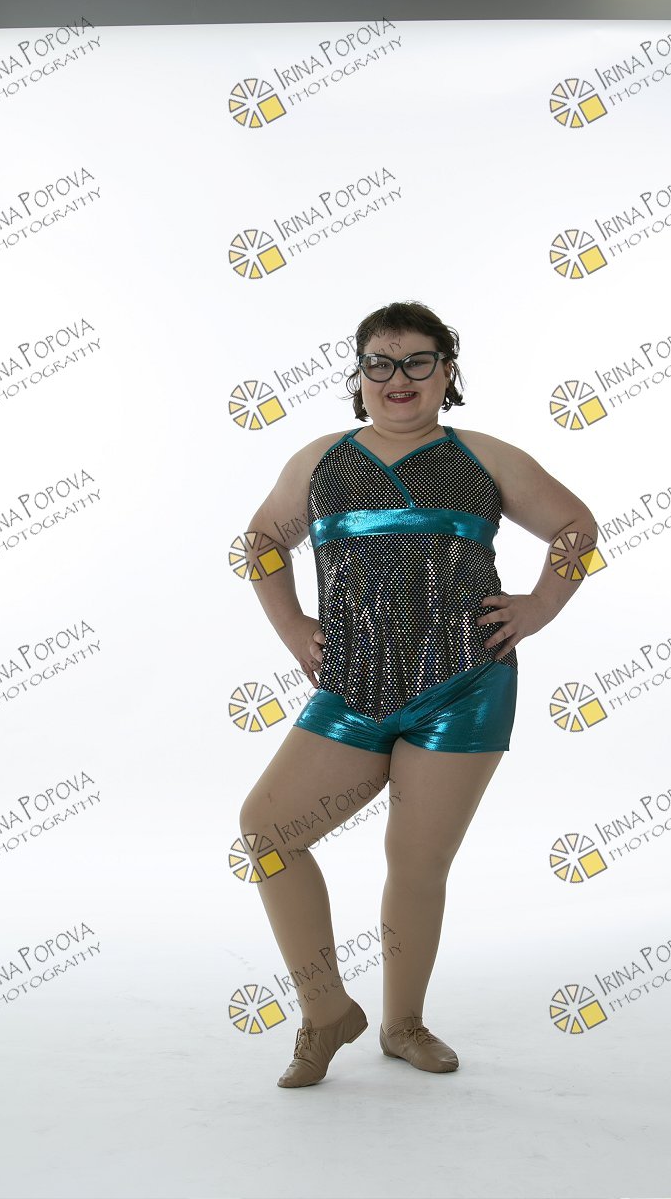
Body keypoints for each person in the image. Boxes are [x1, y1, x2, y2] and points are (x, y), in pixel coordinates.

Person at [239, 300, 598, 1088]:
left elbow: (576, 527)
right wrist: (293, 626)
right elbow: (260, 542)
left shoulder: (485, 458)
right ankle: (326, 1012)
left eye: (417, 362)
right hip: (352, 688)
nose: (397, 378)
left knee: (416, 860)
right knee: (268, 832)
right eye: (380, 363)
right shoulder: (320, 462)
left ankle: (403, 1024)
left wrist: (539, 606)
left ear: (447, 371)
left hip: (463, 687)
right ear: (359, 374)